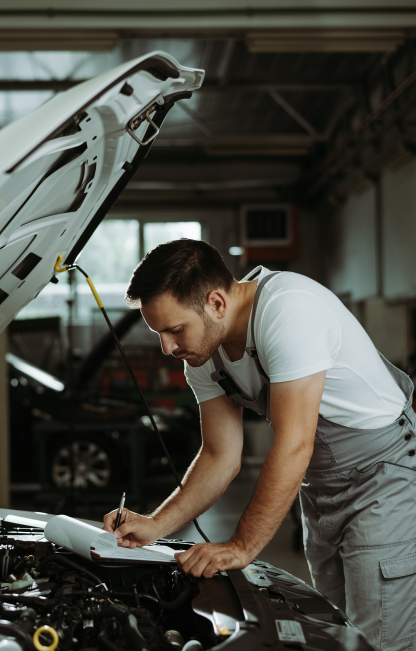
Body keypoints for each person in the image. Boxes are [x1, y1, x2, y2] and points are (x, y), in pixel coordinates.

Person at [102, 239, 415, 650]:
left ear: (216, 302)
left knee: (380, 638)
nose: (168, 347)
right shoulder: (204, 352)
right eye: (160, 333)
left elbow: (294, 443)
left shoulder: (288, 310)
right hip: (320, 485)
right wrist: (156, 525)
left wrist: (241, 546)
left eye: (175, 330)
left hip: (382, 472)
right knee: (338, 634)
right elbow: (220, 455)